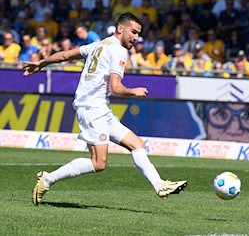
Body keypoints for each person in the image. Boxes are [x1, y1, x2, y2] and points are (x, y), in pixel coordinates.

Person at [23, 13, 187, 206]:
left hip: (100, 108)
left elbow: (66, 55)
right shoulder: (118, 51)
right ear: (120, 28)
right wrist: (134, 92)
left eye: (138, 34)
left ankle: (160, 185)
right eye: (133, 32)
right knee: (98, 163)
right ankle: (48, 179)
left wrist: (42, 63)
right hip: (92, 108)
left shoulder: (99, 45)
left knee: (137, 145)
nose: (135, 37)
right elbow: (115, 88)